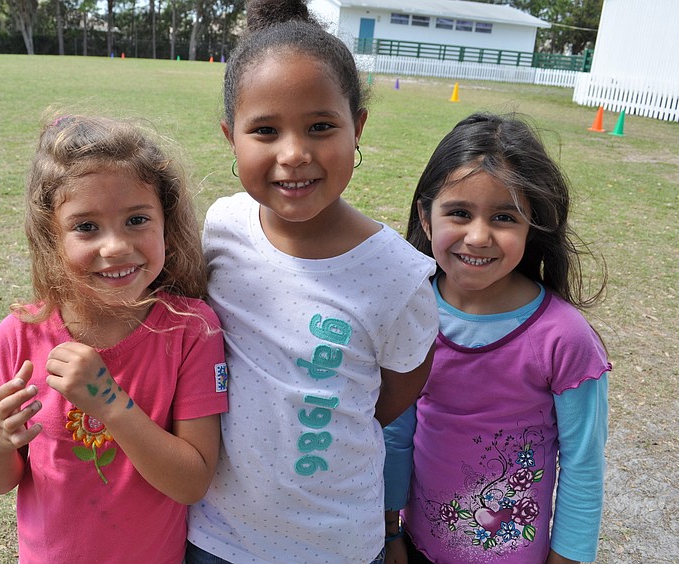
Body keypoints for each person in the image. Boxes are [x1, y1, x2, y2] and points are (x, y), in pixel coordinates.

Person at [186, 1, 439, 562]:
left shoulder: (398, 275)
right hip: (218, 536)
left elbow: (396, 390)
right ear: (231, 137)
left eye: (321, 126)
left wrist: (321, 417)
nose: (294, 154)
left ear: (359, 128)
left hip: (336, 542)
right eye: (265, 130)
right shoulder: (222, 227)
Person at [0, 114, 229, 564]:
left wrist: (109, 403)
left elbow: (192, 482)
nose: (115, 247)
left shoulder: (191, 330)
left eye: (137, 219)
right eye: (86, 227)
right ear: (52, 236)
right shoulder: (21, 334)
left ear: (167, 220)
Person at [384, 112, 611, 564]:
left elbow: (583, 466)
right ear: (426, 219)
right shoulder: (409, 311)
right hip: (416, 545)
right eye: (459, 213)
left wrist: (567, 558)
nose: (478, 235)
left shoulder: (564, 339)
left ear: (534, 227)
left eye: (504, 217)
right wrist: (390, 531)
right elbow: (396, 433)